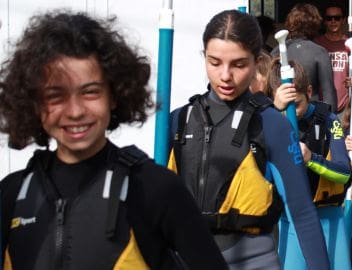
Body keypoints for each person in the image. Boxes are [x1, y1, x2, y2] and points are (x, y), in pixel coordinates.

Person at [0, 11, 226, 269]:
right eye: (56, 95)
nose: (75, 111)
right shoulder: (11, 196)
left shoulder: (154, 190)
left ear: (115, 94)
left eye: (90, 92)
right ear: (35, 103)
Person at [167, 10, 329, 269]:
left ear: (256, 62)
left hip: (253, 261)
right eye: (215, 62)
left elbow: (302, 213)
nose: (225, 76)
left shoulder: (272, 123)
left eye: (239, 64)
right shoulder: (178, 120)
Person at [266, 59, 352, 270]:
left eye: (297, 104)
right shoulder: (269, 120)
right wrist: (274, 112)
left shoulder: (330, 121)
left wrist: (311, 159)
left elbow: (345, 174)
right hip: (290, 220)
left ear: (310, 91)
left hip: (329, 219)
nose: (292, 112)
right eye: (286, 106)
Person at [272, 3, 337, 112]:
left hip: (281, 113)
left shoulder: (277, 51)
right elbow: (329, 92)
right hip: (310, 114)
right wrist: (331, 121)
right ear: (315, 24)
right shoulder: (319, 52)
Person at [314, 3, 352, 114]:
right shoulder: (317, 44)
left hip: (347, 107)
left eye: (337, 18)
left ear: (343, 20)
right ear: (324, 21)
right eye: (329, 18)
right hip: (321, 104)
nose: (333, 21)